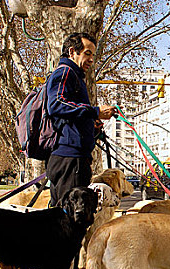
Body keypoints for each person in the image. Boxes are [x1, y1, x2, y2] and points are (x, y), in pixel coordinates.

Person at [46, 32, 117, 206]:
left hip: (75, 158)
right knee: (68, 218)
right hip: (69, 159)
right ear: (72, 52)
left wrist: (93, 125)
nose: (92, 59)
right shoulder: (65, 72)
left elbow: (71, 115)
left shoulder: (74, 76)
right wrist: (94, 112)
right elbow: (56, 104)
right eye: (87, 53)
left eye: (93, 55)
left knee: (66, 216)